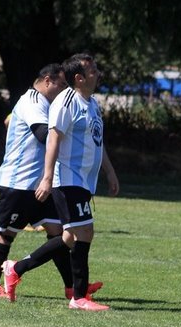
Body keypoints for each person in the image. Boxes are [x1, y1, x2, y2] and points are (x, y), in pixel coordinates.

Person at [0, 63, 102, 302]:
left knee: (60, 233)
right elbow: (44, 135)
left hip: (42, 184)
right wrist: (71, 134)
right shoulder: (33, 101)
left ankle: (72, 287)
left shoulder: (50, 104)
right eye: (61, 84)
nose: (64, 89)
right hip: (20, 181)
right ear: (47, 80)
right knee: (6, 233)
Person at [38, 53, 120, 311]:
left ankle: (16, 268)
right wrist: (47, 177)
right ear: (79, 78)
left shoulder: (92, 104)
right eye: (92, 70)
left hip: (84, 181)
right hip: (68, 178)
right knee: (84, 232)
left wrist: (109, 172)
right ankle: (79, 297)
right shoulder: (66, 101)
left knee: (71, 235)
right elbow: (53, 139)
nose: (98, 73)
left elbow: (98, 142)